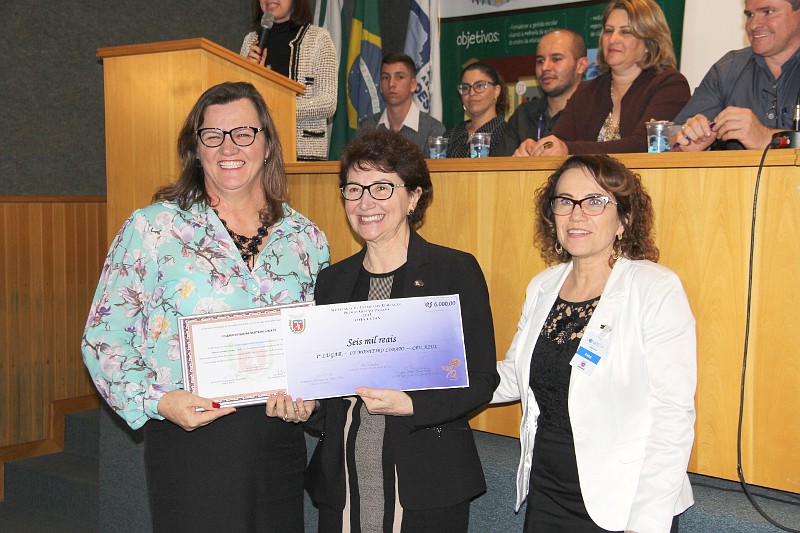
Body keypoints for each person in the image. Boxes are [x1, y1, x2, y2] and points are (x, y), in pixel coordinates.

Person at [81, 81, 330, 532]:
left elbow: (318, 343)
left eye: (243, 133)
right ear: (195, 149)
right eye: (212, 135)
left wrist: (310, 399)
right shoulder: (154, 228)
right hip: (192, 439)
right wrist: (158, 400)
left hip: (279, 441)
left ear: (268, 143)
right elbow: (104, 338)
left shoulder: (306, 239)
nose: (227, 147)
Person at [285, 130, 499, 532]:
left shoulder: (453, 271)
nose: (366, 202)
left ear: (413, 197)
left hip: (426, 482)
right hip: (343, 482)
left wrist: (411, 404)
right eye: (354, 189)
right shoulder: (332, 282)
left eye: (382, 187)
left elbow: (481, 380)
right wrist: (307, 407)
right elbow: (326, 391)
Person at [492, 154, 696, 532]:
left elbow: (673, 416)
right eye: (565, 201)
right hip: (548, 488)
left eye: (595, 201)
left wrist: (646, 523)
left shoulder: (654, 289)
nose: (576, 214)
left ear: (624, 219)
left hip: (625, 500)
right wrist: (437, 373)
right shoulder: (543, 286)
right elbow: (512, 376)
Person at [522, 0, 690, 156]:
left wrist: (568, 149)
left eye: (625, 32)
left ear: (649, 43)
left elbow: (644, 145)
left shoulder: (671, 85)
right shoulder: (586, 91)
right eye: (609, 31)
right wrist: (538, 148)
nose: (613, 39)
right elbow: (558, 139)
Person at [672, 0, 800, 151]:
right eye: (750, 15)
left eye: (768, 12)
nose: (753, 25)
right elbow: (671, 145)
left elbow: (765, 139)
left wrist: (766, 138)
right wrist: (686, 146)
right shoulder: (728, 69)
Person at [241, 0, 338, 161]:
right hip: (257, 153)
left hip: (304, 154)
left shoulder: (318, 39)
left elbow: (328, 103)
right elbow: (240, 100)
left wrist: (280, 109)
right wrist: (250, 74)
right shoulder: (251, 41)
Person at [493, 29, 589, 157]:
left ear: (581, 65)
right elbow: (497, 169)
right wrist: (515, 162)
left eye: (556, 59)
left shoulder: (595, 114)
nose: (545, 68)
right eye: (540, 61)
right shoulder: (523, 115)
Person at [356, 53, 446, 154]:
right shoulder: (367, 128)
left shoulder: (433, 130)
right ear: (380, 86)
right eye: (386, 77)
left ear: (413, 85)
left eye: (399, 77)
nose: (391, 84)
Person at [445, 62, 510, 157]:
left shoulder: (507, 135)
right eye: (465, 88)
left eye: (479, 86)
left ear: (496, 91)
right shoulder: (451, 135)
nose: (471, 93)